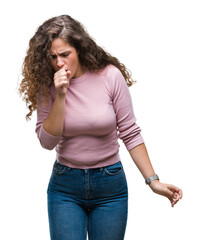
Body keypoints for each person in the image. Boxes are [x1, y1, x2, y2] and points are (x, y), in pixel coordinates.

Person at [18, 15, 183, 240]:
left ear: (80, 49)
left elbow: (130, 132)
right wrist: (61, 96)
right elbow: (47, 142)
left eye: (65, 54)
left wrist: (153, 181)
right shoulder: (49, 85)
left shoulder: (110, 76)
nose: (59, 63)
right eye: (53, 56)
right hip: (65, 187)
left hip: (110, 186)